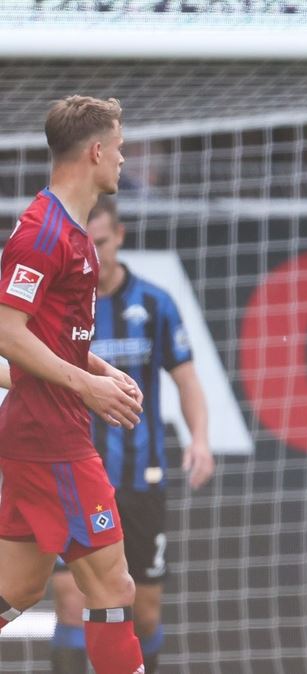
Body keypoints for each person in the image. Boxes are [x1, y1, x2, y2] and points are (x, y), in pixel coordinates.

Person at [0, 95, 146, 673]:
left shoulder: (73, 232)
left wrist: (99, 369)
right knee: (115, 590)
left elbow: (46, 339)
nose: (123, 160)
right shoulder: (43, 233)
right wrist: (85, 388)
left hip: (39, 431)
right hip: (51, 439)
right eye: (119, 148)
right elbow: (6, 332)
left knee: (17, 589)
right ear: (94, 151)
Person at [49, 196, 214, 674]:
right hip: (75, 473)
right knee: (69, 600)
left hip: (140, 480)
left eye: (102, 244)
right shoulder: (64, 309)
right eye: (87, 247)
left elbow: (186, 379)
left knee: (142, 611)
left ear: (118, 237)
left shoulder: (155, 303)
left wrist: (199, 439)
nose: (96, 258)